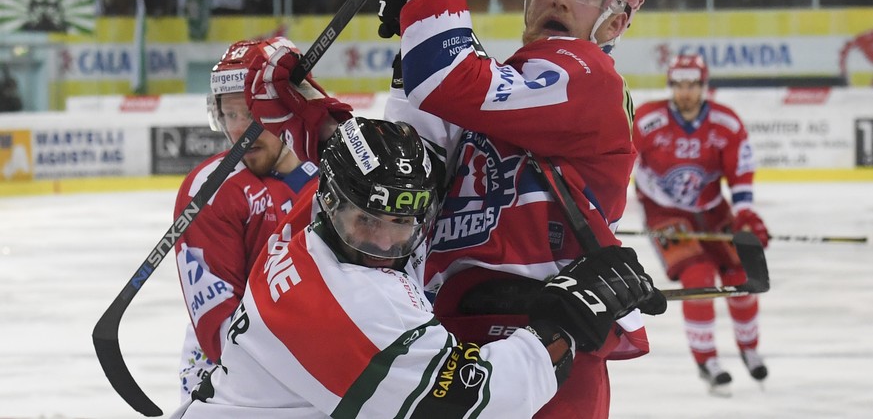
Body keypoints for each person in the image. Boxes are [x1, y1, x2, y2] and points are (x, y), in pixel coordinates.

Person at [377, 0, 666, 419]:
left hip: (552, 346)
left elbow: (449, 78)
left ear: (613, 21)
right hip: (454, 341)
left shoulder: (588, 78)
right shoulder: (506, 86)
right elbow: (402, 167)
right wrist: (311, 111)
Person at [168, 117, 664, 418]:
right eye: (366, 221)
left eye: (402, 222)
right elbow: (478, 403)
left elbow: (370, 152)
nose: (384, 244)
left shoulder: (308, 227)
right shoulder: (346, 306)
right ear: (332, 202)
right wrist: (564, 325)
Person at [173, 37, 351, 398]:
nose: (239, 129)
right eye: (230, 114)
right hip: (235, 385)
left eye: (253, 114)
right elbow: (220, 328)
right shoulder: (211, 190)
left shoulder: (338, 178)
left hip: (324, 374)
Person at [632, 54, 770, 396]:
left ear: (704, 85)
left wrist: (745, 215)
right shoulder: (648, 120)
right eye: (678, 84)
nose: (685, 92)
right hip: (664, 212)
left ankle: (749, 347)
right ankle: (706, 359)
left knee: (740, 275)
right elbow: (620, 165)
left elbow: (740, 174)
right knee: (699, 276)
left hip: (712, 209)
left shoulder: (726, 123)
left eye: (692, 84)